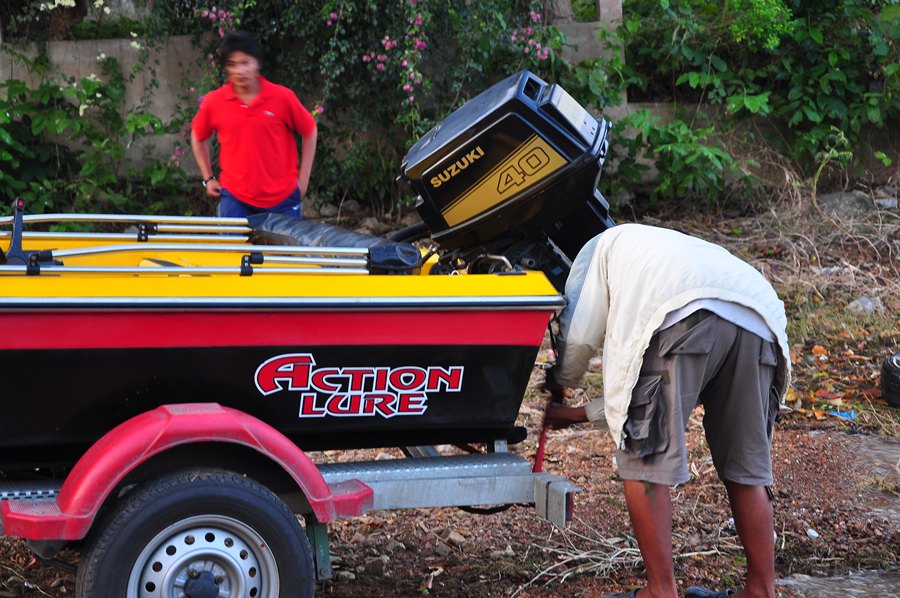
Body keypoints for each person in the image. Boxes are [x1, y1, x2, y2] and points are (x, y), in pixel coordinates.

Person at [543, 223, 790, 598]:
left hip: (681, 315)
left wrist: (561, 381)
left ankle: (660, 591)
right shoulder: (658, 249)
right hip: (759, 320)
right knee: (747, 469)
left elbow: (578, 332)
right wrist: (577, 415)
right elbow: (638, 398)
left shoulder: (598, 251)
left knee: (644, 461)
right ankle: (761, 590)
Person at [191, 30, 317, 219]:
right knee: (238, 249)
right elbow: (197, 136)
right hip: (236, 199)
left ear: (257, 63)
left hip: (283, 199)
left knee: (284, 250)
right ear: (226, 68)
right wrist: (208, 179)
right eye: (232, 64)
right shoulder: (214, 102)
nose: (239, 71)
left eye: (245, 62)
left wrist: (304, 181)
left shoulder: (282, 97)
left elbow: (310, 130)